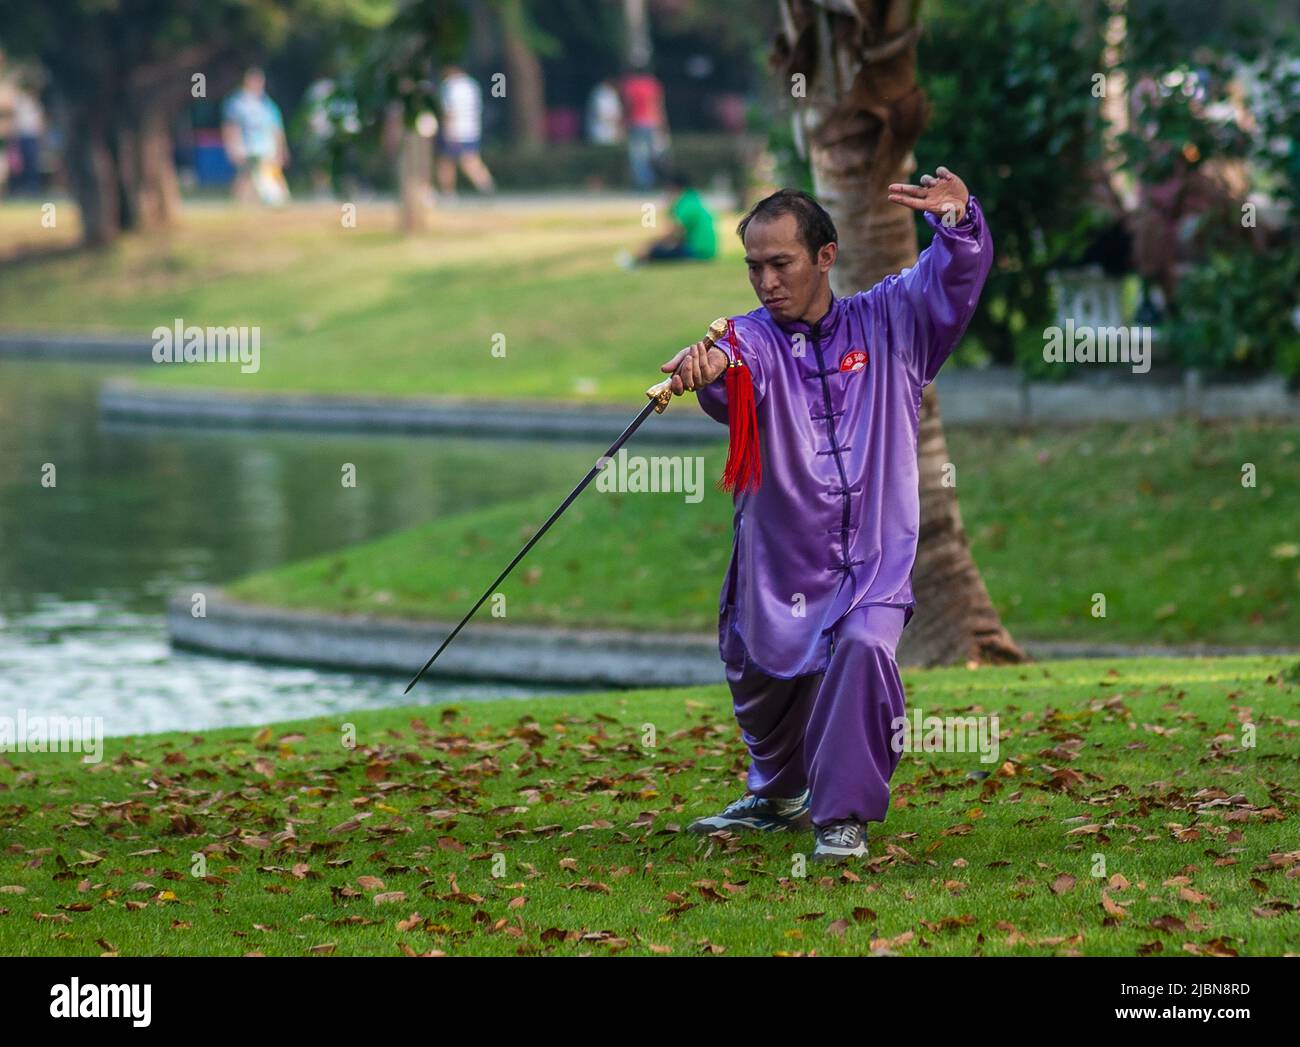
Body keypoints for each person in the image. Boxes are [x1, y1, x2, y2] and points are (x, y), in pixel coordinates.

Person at [658, 167, 992, 864]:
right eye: (754, 267)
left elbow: (949, 284)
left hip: (872, 557)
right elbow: (736, 359)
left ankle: (841, 816)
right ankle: (779, 790)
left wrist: (958, 223)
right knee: (762, 668)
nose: (766, 281)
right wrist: (707, 366)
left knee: (865, 649)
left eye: (781, 263)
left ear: (825, 256)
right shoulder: (754, 338)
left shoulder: (893, 321)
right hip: (780, 563)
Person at [221, 67, 290, 205]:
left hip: (266, 148)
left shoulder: (267, 104)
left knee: (267, 175)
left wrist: (282, 149)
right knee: (246, 175)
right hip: (247, 147)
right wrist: (231, 147)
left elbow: (276, 129)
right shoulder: (237, 103)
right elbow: (230, 126)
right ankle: (240, 203)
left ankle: (276, 201)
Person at [630, 169, 716, 264]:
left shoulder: (685, 204)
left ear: (674, 188)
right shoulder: (694, 199)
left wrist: (649, 246)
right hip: (707, 251)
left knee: (654, 252)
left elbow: (671, 233)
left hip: (698, 252)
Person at [436, 65, 494, 195]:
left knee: (446, 162)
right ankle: (486, 184)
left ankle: (447, 192)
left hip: (454, 128)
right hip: (471, 128)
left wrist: (447, 130)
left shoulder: (449, 85)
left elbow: (449, 110)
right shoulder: (472, 84)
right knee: (470, 160)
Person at [619, 65, 667, 190]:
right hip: (652, 122)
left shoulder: (630, 85)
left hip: (636, 123)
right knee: (653, 154)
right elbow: (658, 105)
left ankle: (643, 184)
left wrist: (623, 122)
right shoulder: (653, 84)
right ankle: (657, 181)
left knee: (638, 156)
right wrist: (662, 124)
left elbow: (628, 105)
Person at [586, 78, 624, 145]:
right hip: (600, 132)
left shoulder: (613, 94)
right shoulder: (599, 94)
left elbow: (618, 112)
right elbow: (600, 114)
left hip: (611, 131)